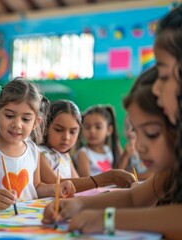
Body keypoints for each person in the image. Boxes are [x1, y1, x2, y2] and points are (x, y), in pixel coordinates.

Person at [43, 65, 182, 239]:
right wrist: (78, 205)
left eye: (151, 134)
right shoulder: (170, 173)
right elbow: (133, 199)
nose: (139, 146)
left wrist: (107, 219)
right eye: (136, 132)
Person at [0, 78, 76, 210]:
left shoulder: (33, 150)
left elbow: (36, 187)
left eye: (25, 119)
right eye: (9, 116)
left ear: (36, 122)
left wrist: (57, 189)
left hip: (27, 223)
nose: (17, 125)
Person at [39, 100, 136, 191]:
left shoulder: (65, 155)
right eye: (58, 130)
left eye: (73, 131)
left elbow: (77, 182)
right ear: (46, 127)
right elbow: (55, 184)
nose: (66, 137)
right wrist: (107, 178)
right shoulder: (40, 153)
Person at [74, 104, 121, 177]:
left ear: (109, 130)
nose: (92, 131)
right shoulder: (83, 154)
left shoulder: (107, 149)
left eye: (98, 127)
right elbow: (86, 182)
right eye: (87, 127)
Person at [118, 116, 153, 181]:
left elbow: (153, 174)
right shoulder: (127, 151)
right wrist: (126, 155)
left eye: (133, 129)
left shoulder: (149, 149)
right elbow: (119, 172)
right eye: (127, 127)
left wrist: (133, 175)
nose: (129, 131)